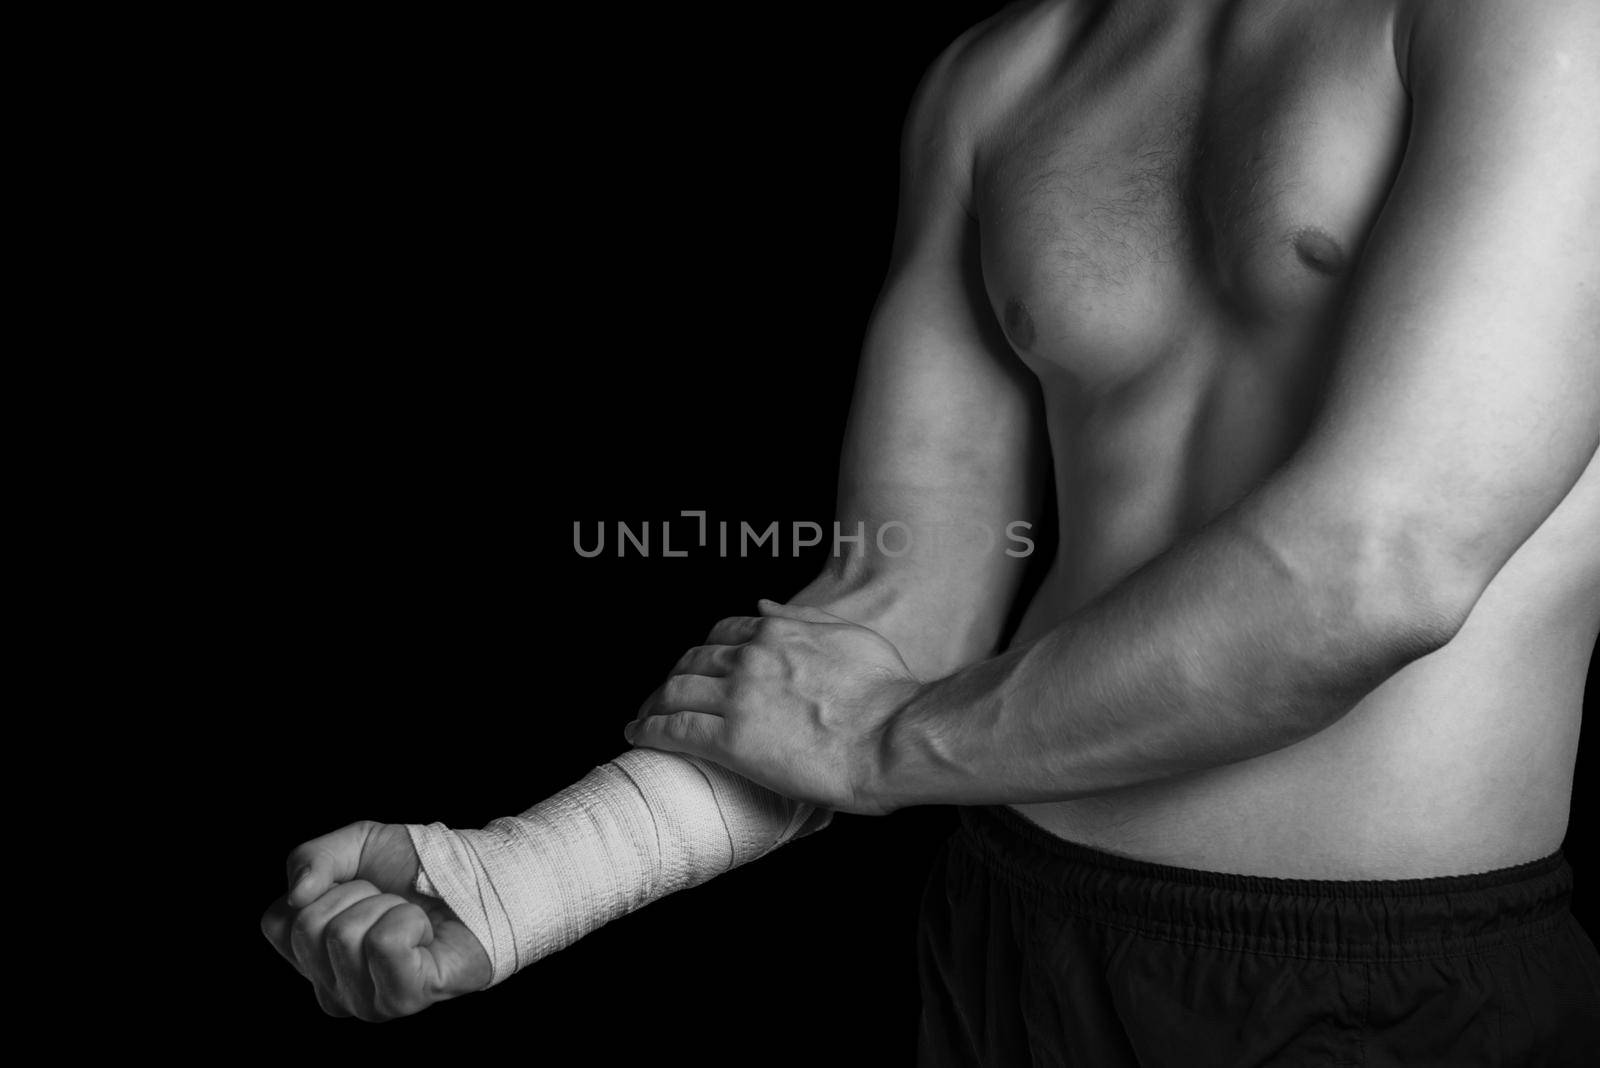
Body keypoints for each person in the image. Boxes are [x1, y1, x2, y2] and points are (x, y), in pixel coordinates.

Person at [261, 0, 1600, 1062]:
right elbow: (881, 625)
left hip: (1388, 984)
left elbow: (1382, 568)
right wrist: (521, 879)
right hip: (1011, 943)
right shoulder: (1006, 77)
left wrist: (881, 741)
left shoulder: (1531, 22)